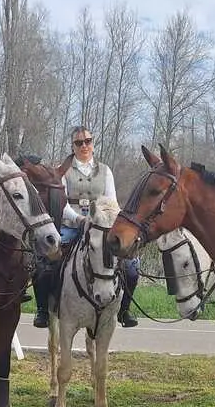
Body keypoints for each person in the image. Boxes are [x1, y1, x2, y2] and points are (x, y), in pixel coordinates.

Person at [31, 126, 141, 328]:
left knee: (131, 267)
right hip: (72, 225)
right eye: (79, 142)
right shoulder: (62, 171)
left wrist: (109, 224)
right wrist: (79, 220)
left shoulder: (105, 171)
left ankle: (124, 310)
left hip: (100, 227)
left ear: (93, 143)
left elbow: (112, 203)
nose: (84, 146)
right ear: (72, 146)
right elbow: (61, 205)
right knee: (45, 263)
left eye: (88, 141)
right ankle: (43, 310)